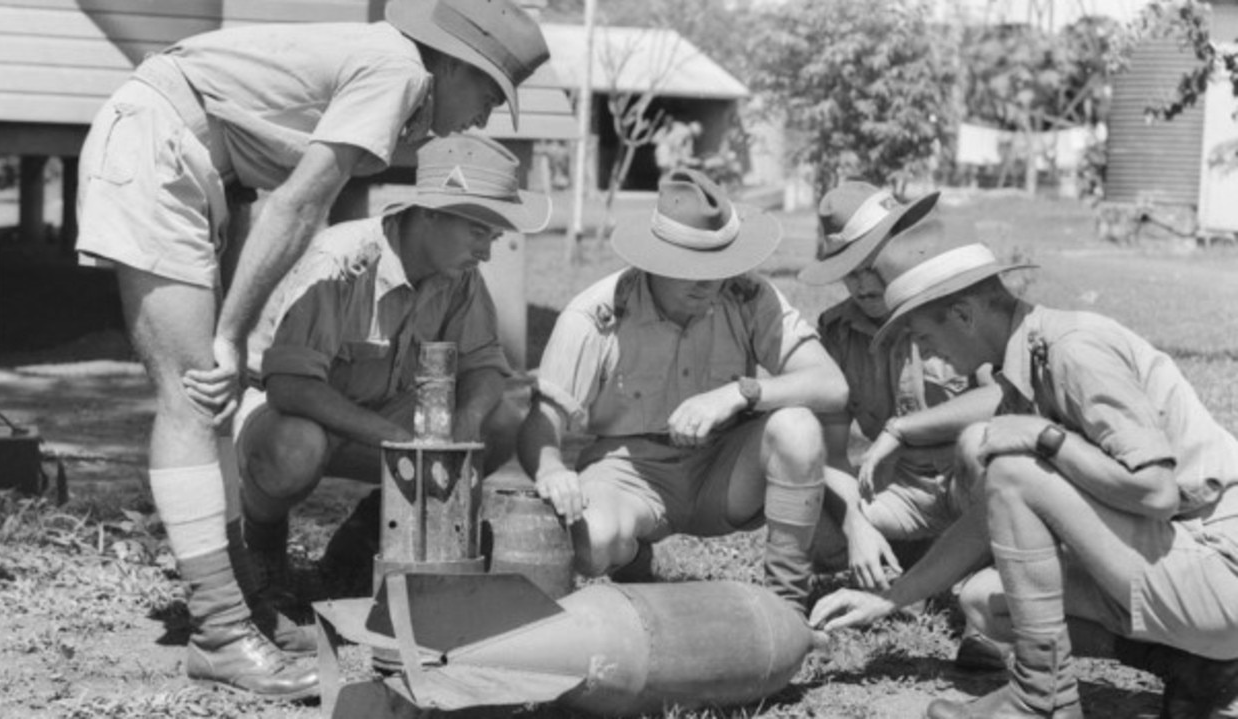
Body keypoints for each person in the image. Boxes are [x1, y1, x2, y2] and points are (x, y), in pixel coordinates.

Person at [73, 0, 549, 699]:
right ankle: (219, 631)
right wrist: (232, 335)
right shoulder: (399, 74)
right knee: (197, 389)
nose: (481, 116)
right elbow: (299, 203)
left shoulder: (396, 74)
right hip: (163, 139)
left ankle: (240, 605)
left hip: (201, 161)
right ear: (452, 63)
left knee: (209, 398)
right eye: (485, 93)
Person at [809, 242, 1238, 718]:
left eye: (923, 335)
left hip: (1221, 565)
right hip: (1181, 563)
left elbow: (1156, 492)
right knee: (985, 602)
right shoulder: (1023, 366)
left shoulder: (1074, 350)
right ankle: (1197, 665)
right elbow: (983, 521)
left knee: (1014, 470)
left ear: (963, 316)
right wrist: (888, 599)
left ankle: (1043, 701)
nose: (923, 350)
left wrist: (1045, 437)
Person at [517, 169, 849, 615]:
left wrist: (741, 393)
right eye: (691, 269)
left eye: (719, 266)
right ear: (653, 260)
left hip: (725, 468)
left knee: (797, 427)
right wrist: (551, 469)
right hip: (629, 473)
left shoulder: (749, 296)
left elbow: (831, 385)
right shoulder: (594, 315)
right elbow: (543, 419)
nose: (708, 282)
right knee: (590, 544)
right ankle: (634, 559)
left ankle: (786, 607)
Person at [233, 134, 549, 599]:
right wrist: (403, 441)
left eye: (494, 237)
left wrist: (464, 424)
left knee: (500, 424)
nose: (486, 252)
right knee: (293, 449)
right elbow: (290, 387)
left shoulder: (460, 276)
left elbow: (483, 365)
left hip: (381, 420)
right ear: (430, 214)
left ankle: (367, 540)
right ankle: (260, 550)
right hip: (289, 417)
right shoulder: (341, 259)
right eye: (478, 232)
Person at [800, 181, 1007, 670]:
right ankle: (905, 571)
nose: (865, 283)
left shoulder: (956, 304)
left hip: (973, 482)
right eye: (850, 271)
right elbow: (829, 451)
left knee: (984, 449)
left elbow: (1005, 398)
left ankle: (991, 622)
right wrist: (856, 525)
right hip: (905, 492)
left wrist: (903, 428)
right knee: (812, 523)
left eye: (874, 264)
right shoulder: (838, 331)